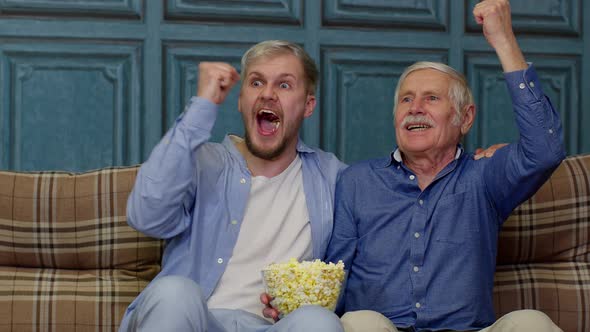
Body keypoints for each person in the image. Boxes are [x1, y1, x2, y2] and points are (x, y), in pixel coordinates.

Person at [324, 1, 566, 331]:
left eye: (431, 98)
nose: (415, 108)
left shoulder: (485, 177)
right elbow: (333, 276)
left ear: (464, 118)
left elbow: (546, 150)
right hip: (381, 328)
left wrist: (504, 40)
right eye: (406, 99)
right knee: (358, 321)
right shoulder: (357, 181)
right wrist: (295, 308)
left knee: (531, 322)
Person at [118, 40, 347, 332]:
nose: (267, 94)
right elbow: (145, 216)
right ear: (241, 100)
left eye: (284, 85)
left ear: (308, 105)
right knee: (175, 292)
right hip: (196, 321)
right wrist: (203, 105)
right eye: (256, 82)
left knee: (319, 321)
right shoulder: (201, 162)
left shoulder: (332, 176)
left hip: (274, 327)